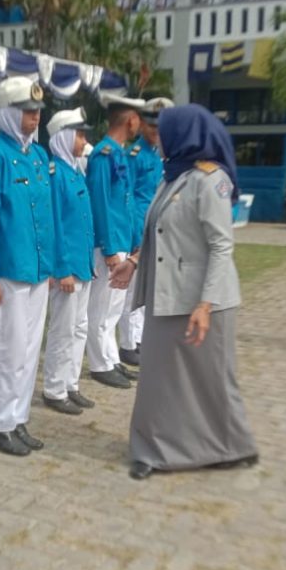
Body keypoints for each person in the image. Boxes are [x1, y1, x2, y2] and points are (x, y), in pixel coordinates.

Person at [112, 104, 258, 481]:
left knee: (212, 380)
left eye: (165, 131)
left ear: (185, 134)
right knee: (159, 379)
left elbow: (222, 246)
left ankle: (230, 446)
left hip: (203, 302)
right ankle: (154, 449)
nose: (158, 137)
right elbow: (160, 234)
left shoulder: (210, 181)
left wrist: (205, 305)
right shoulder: (173, 176)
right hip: (168, 296)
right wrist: (134, 262)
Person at [0, 77, 54, 456]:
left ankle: (18, 417)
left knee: (30, 349)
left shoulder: (38, 157)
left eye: (37, 111)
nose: (34, 117)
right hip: (7, 270)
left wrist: (50, 265)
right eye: (26, 111)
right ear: (6, 113)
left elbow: (46, 217)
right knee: (8, 349)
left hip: (37, 269)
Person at [85, 93, 145, 389]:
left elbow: (126, 203)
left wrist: (134, 240)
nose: (139, 124)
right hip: (108, 244)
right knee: (102, 308)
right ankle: (100, 364)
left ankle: (111, 359)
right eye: (138, 119)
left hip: (122, 239)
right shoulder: (103, 155)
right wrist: (109, 248)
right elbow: (100, 203)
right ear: (130, 120)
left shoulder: (118, 153)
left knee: (113, 308)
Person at [41, 108, 97, 416]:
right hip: (68, 267)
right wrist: (60, 268)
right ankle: (54, 388)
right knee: (62, 329)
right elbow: (55, 225)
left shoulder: (75, 171)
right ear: (63, 136)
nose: (84, 141)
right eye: (79, 135)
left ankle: (70, 383)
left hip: (82, 264)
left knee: (79, 327)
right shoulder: (56, 174)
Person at [117, 97, 171, 368]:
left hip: (157, 228)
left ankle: (140, 337)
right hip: (139, 227)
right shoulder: (134, 156)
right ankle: (128, 344)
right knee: (131, 291)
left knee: (148, 288)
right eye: (151, 127)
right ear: (142, 125)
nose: (155, 132)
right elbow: (128, 197)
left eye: (160, 128)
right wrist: (135, 234)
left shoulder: (162, 154)